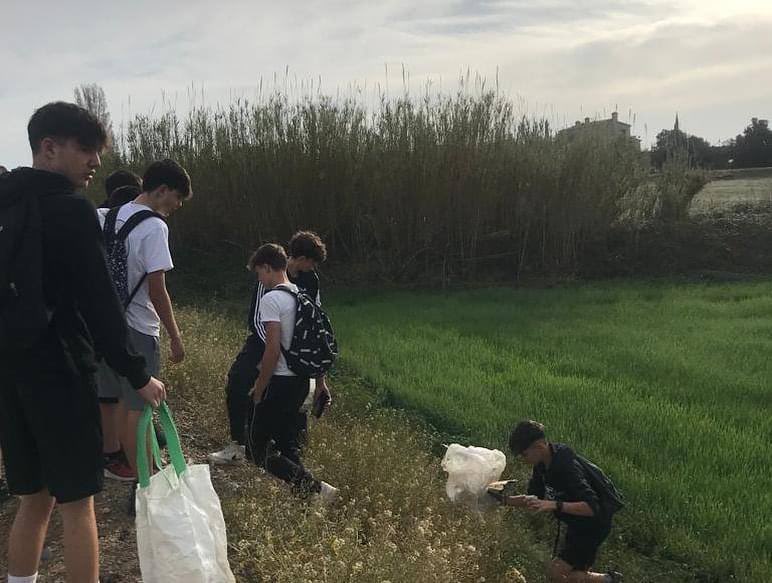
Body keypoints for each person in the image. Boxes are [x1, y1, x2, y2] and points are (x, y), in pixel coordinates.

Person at [0, 101, 165, 583]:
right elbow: (100, 305)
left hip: (9, 370)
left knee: (33, 498)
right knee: (77, 504)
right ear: (49, 148)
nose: (95, 162)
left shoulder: (6, 202)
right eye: (86, 149)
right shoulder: (71, 209)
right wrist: (138, 374)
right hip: (61, 370)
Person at [95, 159, 191, 498]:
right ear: (161, 190)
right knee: (138, 408)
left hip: (104, 326)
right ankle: (146, 484)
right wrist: (175, 336)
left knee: (119, 402)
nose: (177, 206)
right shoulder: (154, 227)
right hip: (138, 327)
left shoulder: (104, 216)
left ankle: (136, 473)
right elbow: (157, 289)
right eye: (177, 198)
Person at [209, 231, 331, 464]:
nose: (312, 268)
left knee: (298, 399)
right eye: (312, 263)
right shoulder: (269, 275)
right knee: (238, 381)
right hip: (264, 339)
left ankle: (291, 455)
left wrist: (320, 377)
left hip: (296, 346)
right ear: (301, 259)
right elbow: (257, 320)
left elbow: (316, 322)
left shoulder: (311, 280)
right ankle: (238, 444)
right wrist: (276, 352)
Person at [244, 243, 337, 502]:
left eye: (259, 274)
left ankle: (316, 488)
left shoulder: (271, 299)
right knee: (286, 444)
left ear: (267, 267)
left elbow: (272, 350)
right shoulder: (300, 295)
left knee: (255, 448)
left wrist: (259, 387)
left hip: (280, 381)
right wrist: (320, 381)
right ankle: (307, 501)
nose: (260, 280)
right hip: (300, 381)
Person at [505, 421, 623, 583]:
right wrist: (504, 500)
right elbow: (533, 499)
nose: (522, 459)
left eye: (524, 454)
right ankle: (609, 579)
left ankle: (609, 580)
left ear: (539, 446)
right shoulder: (541, 466)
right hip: (577, 524)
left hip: (593, 525)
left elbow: (591, 507)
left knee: (557, 572)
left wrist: (554, 504)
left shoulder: (567, 467)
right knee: (572, 573)